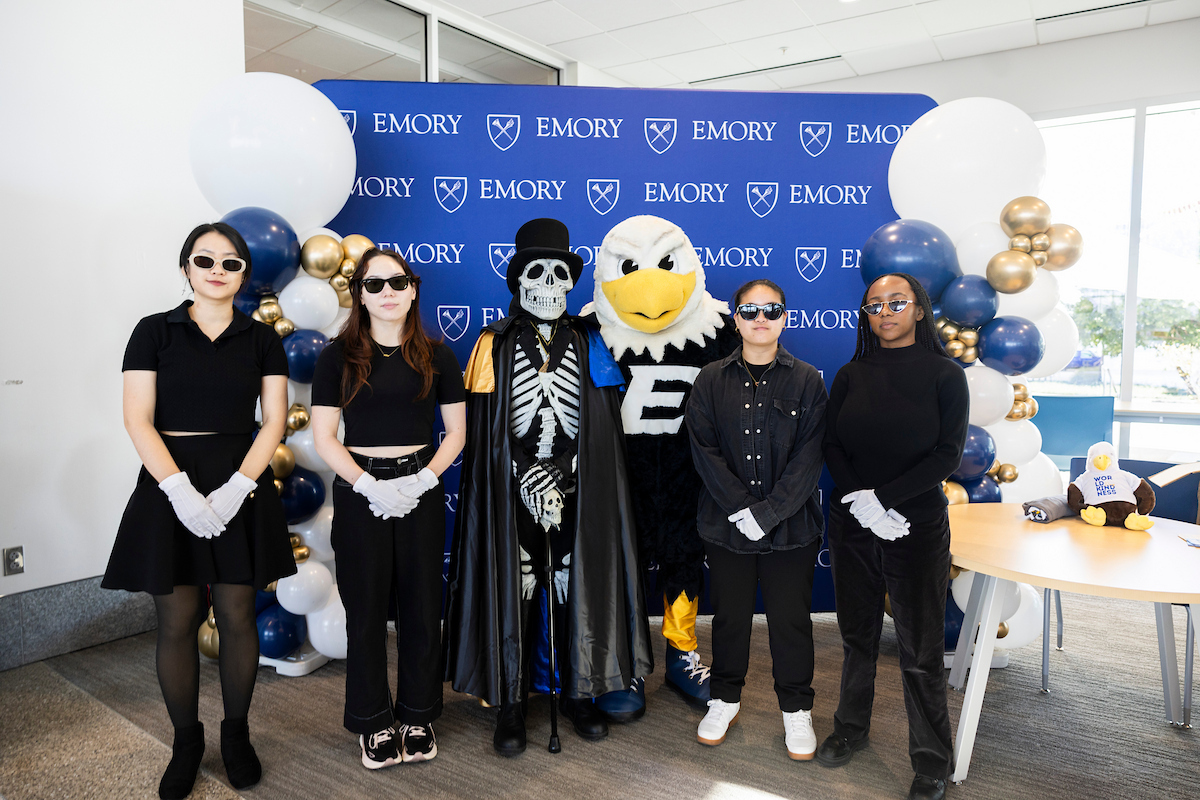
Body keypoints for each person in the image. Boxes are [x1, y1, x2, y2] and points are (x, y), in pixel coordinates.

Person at [444, 218, 652, 757]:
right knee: (518, 586)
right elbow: (485, 429)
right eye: (537, 274)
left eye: (560, 274)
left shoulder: (589, 341)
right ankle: (511, 700)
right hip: (511, 491)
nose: (549, 285)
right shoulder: (492, 342)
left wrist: (563, 470)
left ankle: (577, 691)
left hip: (577, 489)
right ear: (518, 283)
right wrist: (525, 472)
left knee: (573, 583)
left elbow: (603, 424)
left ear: (569, 283)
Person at [103, 222, 296, 800]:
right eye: (204, 259)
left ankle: (235, 736)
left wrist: (240, 486)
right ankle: (186, 743)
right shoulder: (152, 332)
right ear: (186, 266)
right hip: (170, 484)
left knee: (238, 616)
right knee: (178, 621)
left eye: (231, 262)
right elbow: (138, 418)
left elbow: (274, 420)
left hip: (241, 479)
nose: (217, 270)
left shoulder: (263, 339)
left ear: (243, 274)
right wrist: (179, 491)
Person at [310, 247, 465, 769]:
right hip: (361, 494)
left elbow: (457, 432)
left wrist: (423, 479)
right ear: (359, 295)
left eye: (396, 282)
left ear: (413, 288)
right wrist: (366, 484)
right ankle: (374, 722)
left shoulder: (438, 356)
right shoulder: (337, 356)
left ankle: (418, 714)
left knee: (423, 608)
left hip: (421, 488)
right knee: (367, 610)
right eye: (373, 285)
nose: (386, 293)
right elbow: (325, 436)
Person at [818, 272, 969, 800]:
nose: (885, 311)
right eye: (874, 304)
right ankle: (850, 729)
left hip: (917, 525)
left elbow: (946, 455)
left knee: (919, 647)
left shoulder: (945, 375)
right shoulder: (850, 374)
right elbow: (832, 446)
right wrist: (863, 501)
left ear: (919, 310)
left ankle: (931, 761)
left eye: (896, 302)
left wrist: (887, 500)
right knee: (858, 636)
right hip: (853, 522)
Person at [685, 278, 828, 761]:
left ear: (785, 316)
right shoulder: (709, 379)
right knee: (729, 619)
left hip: (792, 529)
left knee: (791, 622)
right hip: (726, 528)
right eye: (750, 311)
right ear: (735, 317)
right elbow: (703, 452)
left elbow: (810, 457)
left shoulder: (809, 379)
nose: (760, 319)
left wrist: (768, 513)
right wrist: (742, 510)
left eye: (771, 310)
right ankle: (724, 700)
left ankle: (796, 711)